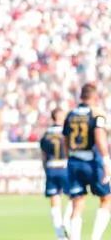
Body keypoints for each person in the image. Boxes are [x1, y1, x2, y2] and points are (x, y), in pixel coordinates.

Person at [63, 83, 111, 240]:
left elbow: (64, 139)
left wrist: (67, 157)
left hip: (74, 160)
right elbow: (99, 135)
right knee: (107, 198)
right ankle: (95, 238)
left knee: (77, 202)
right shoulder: (96, 113)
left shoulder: (70, 114)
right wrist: (106, 160)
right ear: (94, 97)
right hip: (92, 162)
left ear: (81, 96)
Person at [40, 107, 72, 240]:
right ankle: (67, 220)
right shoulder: (67, 132)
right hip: (65, 166)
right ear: (59, 117)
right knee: (75, 197)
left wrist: (46, 170)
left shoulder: (46, 134)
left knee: (55, 199)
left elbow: (43, 155)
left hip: (51, 167)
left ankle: (60, 235)